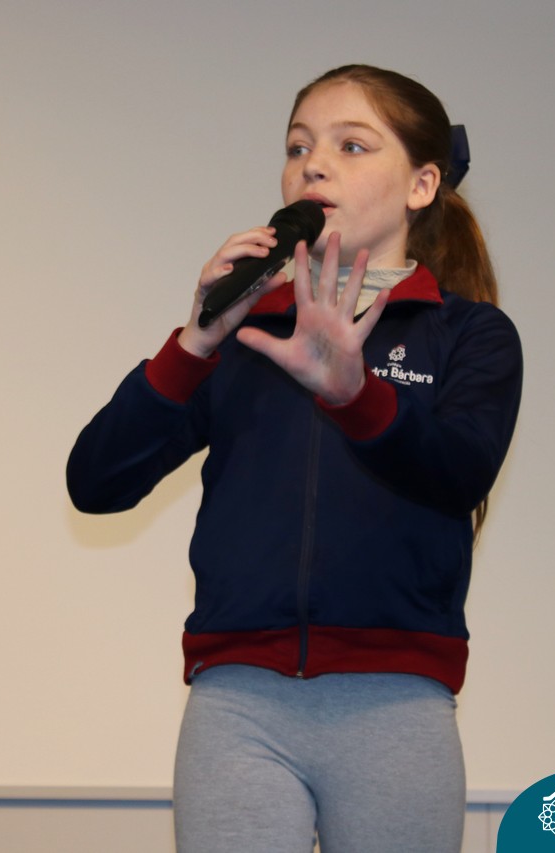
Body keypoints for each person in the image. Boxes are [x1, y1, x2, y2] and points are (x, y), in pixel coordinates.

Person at [66, 64, 522, 853]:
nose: (313, 165)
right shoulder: (249, 333)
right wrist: (196, 341)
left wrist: (355, 393)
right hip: (237, 701)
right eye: (298, 147)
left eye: (352, 145)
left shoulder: (470, 334)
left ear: (422, 184)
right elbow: (96, 482)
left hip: (396, 705)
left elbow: (459, 472)